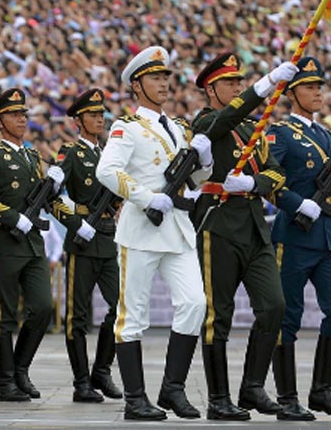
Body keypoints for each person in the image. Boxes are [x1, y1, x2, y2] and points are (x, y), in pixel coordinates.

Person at [95, 50, 214, 420]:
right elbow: (107, 170)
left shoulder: (179, 127)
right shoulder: (126, 127)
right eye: (155, 78)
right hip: (141, 231)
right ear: (137, 85)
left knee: (195, 304)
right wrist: (147, 197)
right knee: (132, 316)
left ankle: (172, 388)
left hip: (177, 230)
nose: (163, 83)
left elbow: (195, 179)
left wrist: (205, 161)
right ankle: (135, 399)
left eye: (166, 77)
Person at [190, 52, 296, 421]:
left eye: (240, 82)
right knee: (217, 315)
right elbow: (225, 118)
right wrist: (263, 87)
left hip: (253, 225)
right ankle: (218, 398)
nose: (236, 87)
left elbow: (277, 173)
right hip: (218, 226)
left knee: (274, 305)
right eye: (230, 83)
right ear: (210, 89)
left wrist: (254, 182)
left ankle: (252, 386)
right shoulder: (206, 122)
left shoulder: (253, 129)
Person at [267, 57, 331, 419]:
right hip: (293, 236)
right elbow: (270, 181)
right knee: (287, 316)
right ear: (292, 93)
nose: (318, 91)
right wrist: (296, 204)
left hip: (328, 240)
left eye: (320, 86)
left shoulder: (326, 136)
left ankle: (322, 390)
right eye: (309, 86)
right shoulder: (281, 133)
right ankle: (287, 398)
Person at [0, 87, 63, 402]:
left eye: (23, 114)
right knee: (5, 316)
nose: (21, 120)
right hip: (5, 243)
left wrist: (53, 185)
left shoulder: (30, 155)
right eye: (14, 115)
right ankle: (5, 381)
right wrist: (12, 218)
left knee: (41, 308)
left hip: (32, 245)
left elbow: (42, 198)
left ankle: (21, 368)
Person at [52, 88, 123, 405]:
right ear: (78, 120)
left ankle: (102, 371)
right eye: (93, 115)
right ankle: (82, 381)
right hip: (83, 239)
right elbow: (51, 196)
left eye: (101, 115)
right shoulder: (71, 153)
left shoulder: (109, 152)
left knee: (120, 308)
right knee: (77, 317)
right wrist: (73, 221)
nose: (99, 119)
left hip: (108, 238)